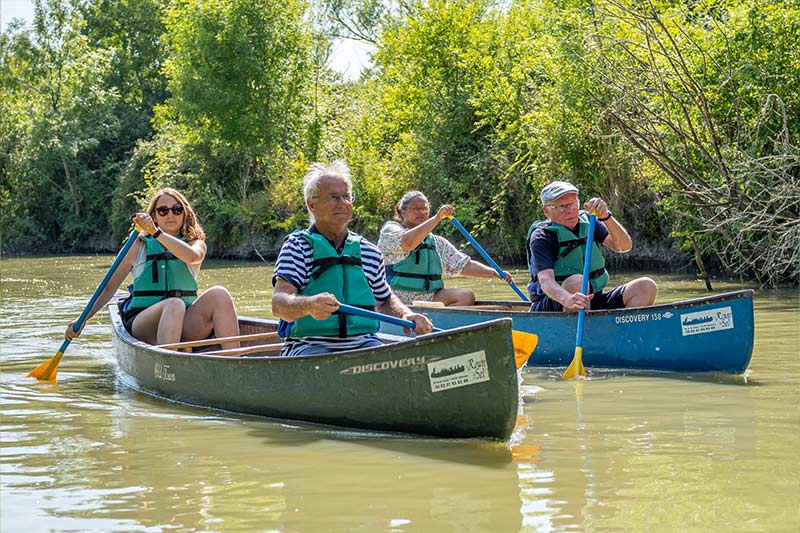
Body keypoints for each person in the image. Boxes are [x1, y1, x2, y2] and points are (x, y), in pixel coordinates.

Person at [271, 162, 433, 357]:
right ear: (311, 204)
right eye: (333, 197)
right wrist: (309, 304)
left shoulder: (369, 251)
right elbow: (279, 304)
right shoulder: (297, 247)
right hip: (309, 346)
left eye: (346, 196)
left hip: (364, 342)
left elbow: (384, 301)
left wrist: (406, 313)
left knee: (392, 361)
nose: (342, 203)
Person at [64, 188, 241, 350]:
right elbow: (109, 287)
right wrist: (83, 319)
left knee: (220, 293)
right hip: (145, 324)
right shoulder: (137, 246)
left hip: (184, 323)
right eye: (163, 211)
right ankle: (168, 365)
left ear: (184, 214)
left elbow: (193, 257)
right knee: (174, 304)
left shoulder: (195, 244)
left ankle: (235, 363)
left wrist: (157, 233)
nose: (170, 214)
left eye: (177, 209)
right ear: (154, 216)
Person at [526, 180, 657, 312]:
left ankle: (623, 331)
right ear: (546, 211)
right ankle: (578, 327)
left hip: (593, 298)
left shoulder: (589, 221)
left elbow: (623, 246)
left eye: (573, 204)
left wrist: (606, 217)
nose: (570, 210)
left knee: (646, 286)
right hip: (557, 303)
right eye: (562, 206)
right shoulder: (542, 237)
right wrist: (568, 300)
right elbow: (546, 281)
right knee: (577, 282)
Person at [377, 190, 514, 306]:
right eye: (416, 209)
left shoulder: (436, 242)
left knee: (466, 296)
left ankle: (441, 324)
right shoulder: (391, 230)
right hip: (396, 299)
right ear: (403, 212)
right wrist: (437, 218)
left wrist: (496, 273)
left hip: (429, 297)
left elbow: (464, 265)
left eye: (425, 209)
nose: (421, 212)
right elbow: (408, 243)